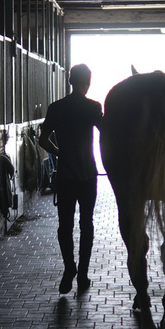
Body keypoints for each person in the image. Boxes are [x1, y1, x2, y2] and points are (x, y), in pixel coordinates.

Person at [39, 64, 102, 294]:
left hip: (65, 175)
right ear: (88, 82)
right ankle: (83, 274)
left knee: (64, 226)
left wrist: (59, 152)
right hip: (87, 175)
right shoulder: (93, 107)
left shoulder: (56, 108)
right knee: (87, 224)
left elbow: (42, 140)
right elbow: (106, 131)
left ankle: (69, 268)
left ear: (69, 81)